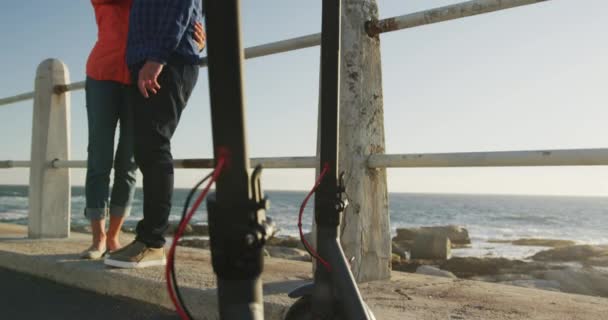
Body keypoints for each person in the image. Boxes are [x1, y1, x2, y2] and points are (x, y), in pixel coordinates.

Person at [82, 0, 206, 260]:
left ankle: (116, 236)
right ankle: (98, 239)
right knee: (99, 157)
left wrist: (196, 37)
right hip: (105, 72)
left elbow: (180, 9)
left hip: (140, 71)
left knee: (130, 159)